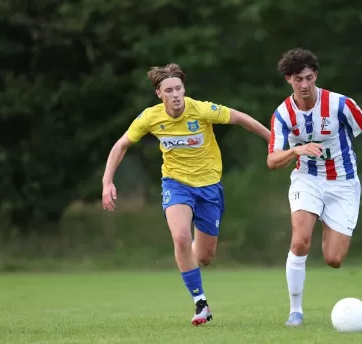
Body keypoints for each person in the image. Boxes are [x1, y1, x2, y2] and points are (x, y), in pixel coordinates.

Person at [101, 63, 270, 326]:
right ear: (159, 93)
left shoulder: (201, 109)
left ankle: (187, 257)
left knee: (204, 257)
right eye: (169, 90)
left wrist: (272, 140)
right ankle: (200, 302)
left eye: (178, 88)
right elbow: (121, 145)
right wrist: (107, 181)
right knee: (180, 236)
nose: (176, 94)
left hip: (209, 187)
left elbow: (239, 118)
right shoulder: (150, 117)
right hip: (175, 184)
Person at [266, 48, 362, 327]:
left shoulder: (341, 104)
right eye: (299, 79)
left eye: (309, 77)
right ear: (289, 79)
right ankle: (295, 311)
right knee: (299, 241)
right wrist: (297, 150)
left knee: (333, 259)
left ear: (316, 75)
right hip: (306, 180)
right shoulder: (283, 114)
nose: (305, 84)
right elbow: (273, 160)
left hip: (343, 183)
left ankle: (322, 215)